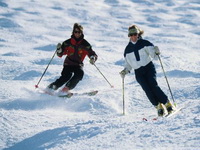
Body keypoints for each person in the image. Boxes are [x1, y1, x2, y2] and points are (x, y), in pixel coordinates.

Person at [120, 25, 175, 116]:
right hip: (138, 72)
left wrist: (156, 52)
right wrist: (125, 71)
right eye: (131, 35)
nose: (133, 36)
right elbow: (128, 64)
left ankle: (167, 104)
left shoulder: (145, 43)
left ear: (138, 34)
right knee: (147, 89)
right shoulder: (127, 49)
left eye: (135, 34)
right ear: (129, 36)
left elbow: (155, 56)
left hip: (148, 67)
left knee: (153, 85)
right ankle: (158, 107)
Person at [47, 23, 98, 95]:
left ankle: (66, 89)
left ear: (81, 33)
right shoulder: (67, 43)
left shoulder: (85, 44)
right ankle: (51, 88)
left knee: (80, 74)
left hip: (78, 64)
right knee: (66, 76)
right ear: (73, 32)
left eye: (79, 32)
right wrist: (59, 50)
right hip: (68, 63)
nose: (77, 34)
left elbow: (91, 53)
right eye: (76, 32)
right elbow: (61, 54)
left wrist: (93, 58)